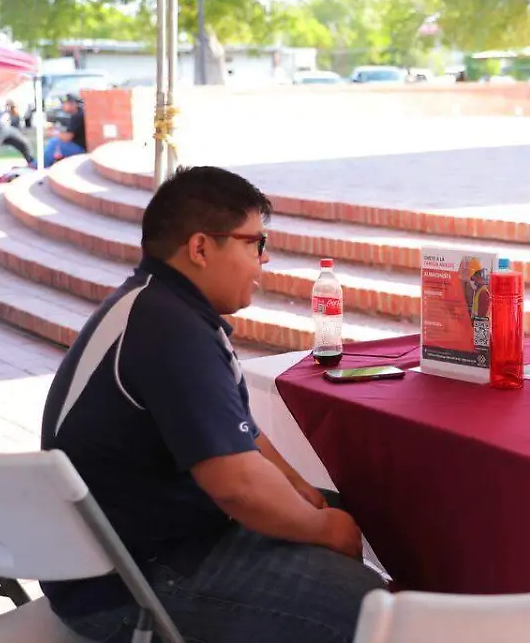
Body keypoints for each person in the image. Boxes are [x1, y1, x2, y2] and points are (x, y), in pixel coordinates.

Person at [40, 166, 384, 643]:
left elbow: (239, 432)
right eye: (254, 244)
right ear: (201, 248)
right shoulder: (169, 330)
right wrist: (327, 531)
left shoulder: (152, 303)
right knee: (376, 611)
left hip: (128, 554)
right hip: (130, 585)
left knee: (340, 511)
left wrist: (304, 493)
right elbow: (237, 487)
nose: (264, 260)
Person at [43, 94, 88, 168]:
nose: (63, 105)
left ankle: (41, 166)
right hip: (80, 147)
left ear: (73, 104)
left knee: (54, 142)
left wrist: (55, 133)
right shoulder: (78, 113)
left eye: (65, 103)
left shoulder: (77, 115)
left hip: (81, 149)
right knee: (55, 142)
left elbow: (67, 137)